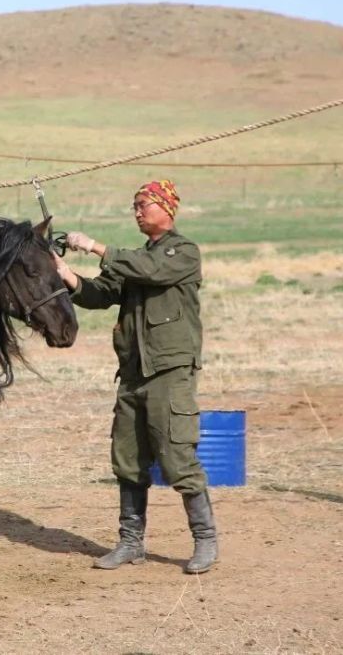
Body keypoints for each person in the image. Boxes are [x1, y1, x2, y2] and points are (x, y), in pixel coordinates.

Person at [52, 179, 217, 574]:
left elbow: (152, 270)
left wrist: (94, 246)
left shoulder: (183, 252)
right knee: (127, 460)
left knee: (177, 457)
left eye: (144, 204)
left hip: (169, 373)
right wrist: (66, 275)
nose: (138, 211)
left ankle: (205, 541)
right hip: (133, 374)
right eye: (135, 205)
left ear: (167, 208)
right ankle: (131, 543)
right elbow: (101, 293)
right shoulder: (135, 259)